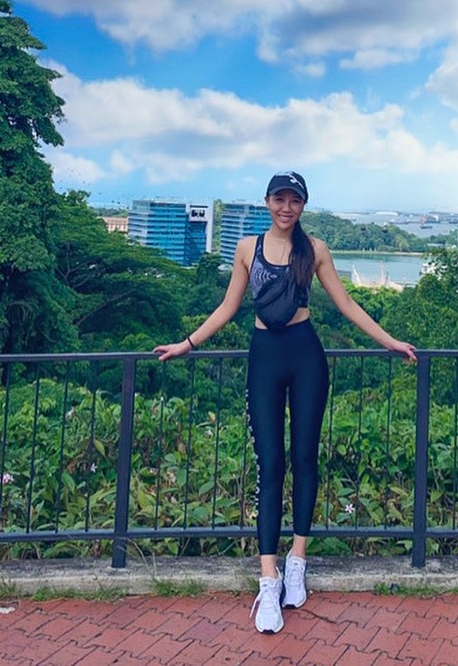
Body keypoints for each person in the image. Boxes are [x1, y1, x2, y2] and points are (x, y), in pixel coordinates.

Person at [154, 171, 417, 635]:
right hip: (265, 357)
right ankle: (268, 578)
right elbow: (228, 307)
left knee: (304, 458)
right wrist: (187, 344)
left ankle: (297, 560)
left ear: (303, 206)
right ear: (267, 201)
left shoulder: (314, 250)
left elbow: (347, 305)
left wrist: (390, 341)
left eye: (295, 200)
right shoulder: (247, 249)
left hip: (305, 355)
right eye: (280, 199)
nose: (286, 207)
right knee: (270, 464)